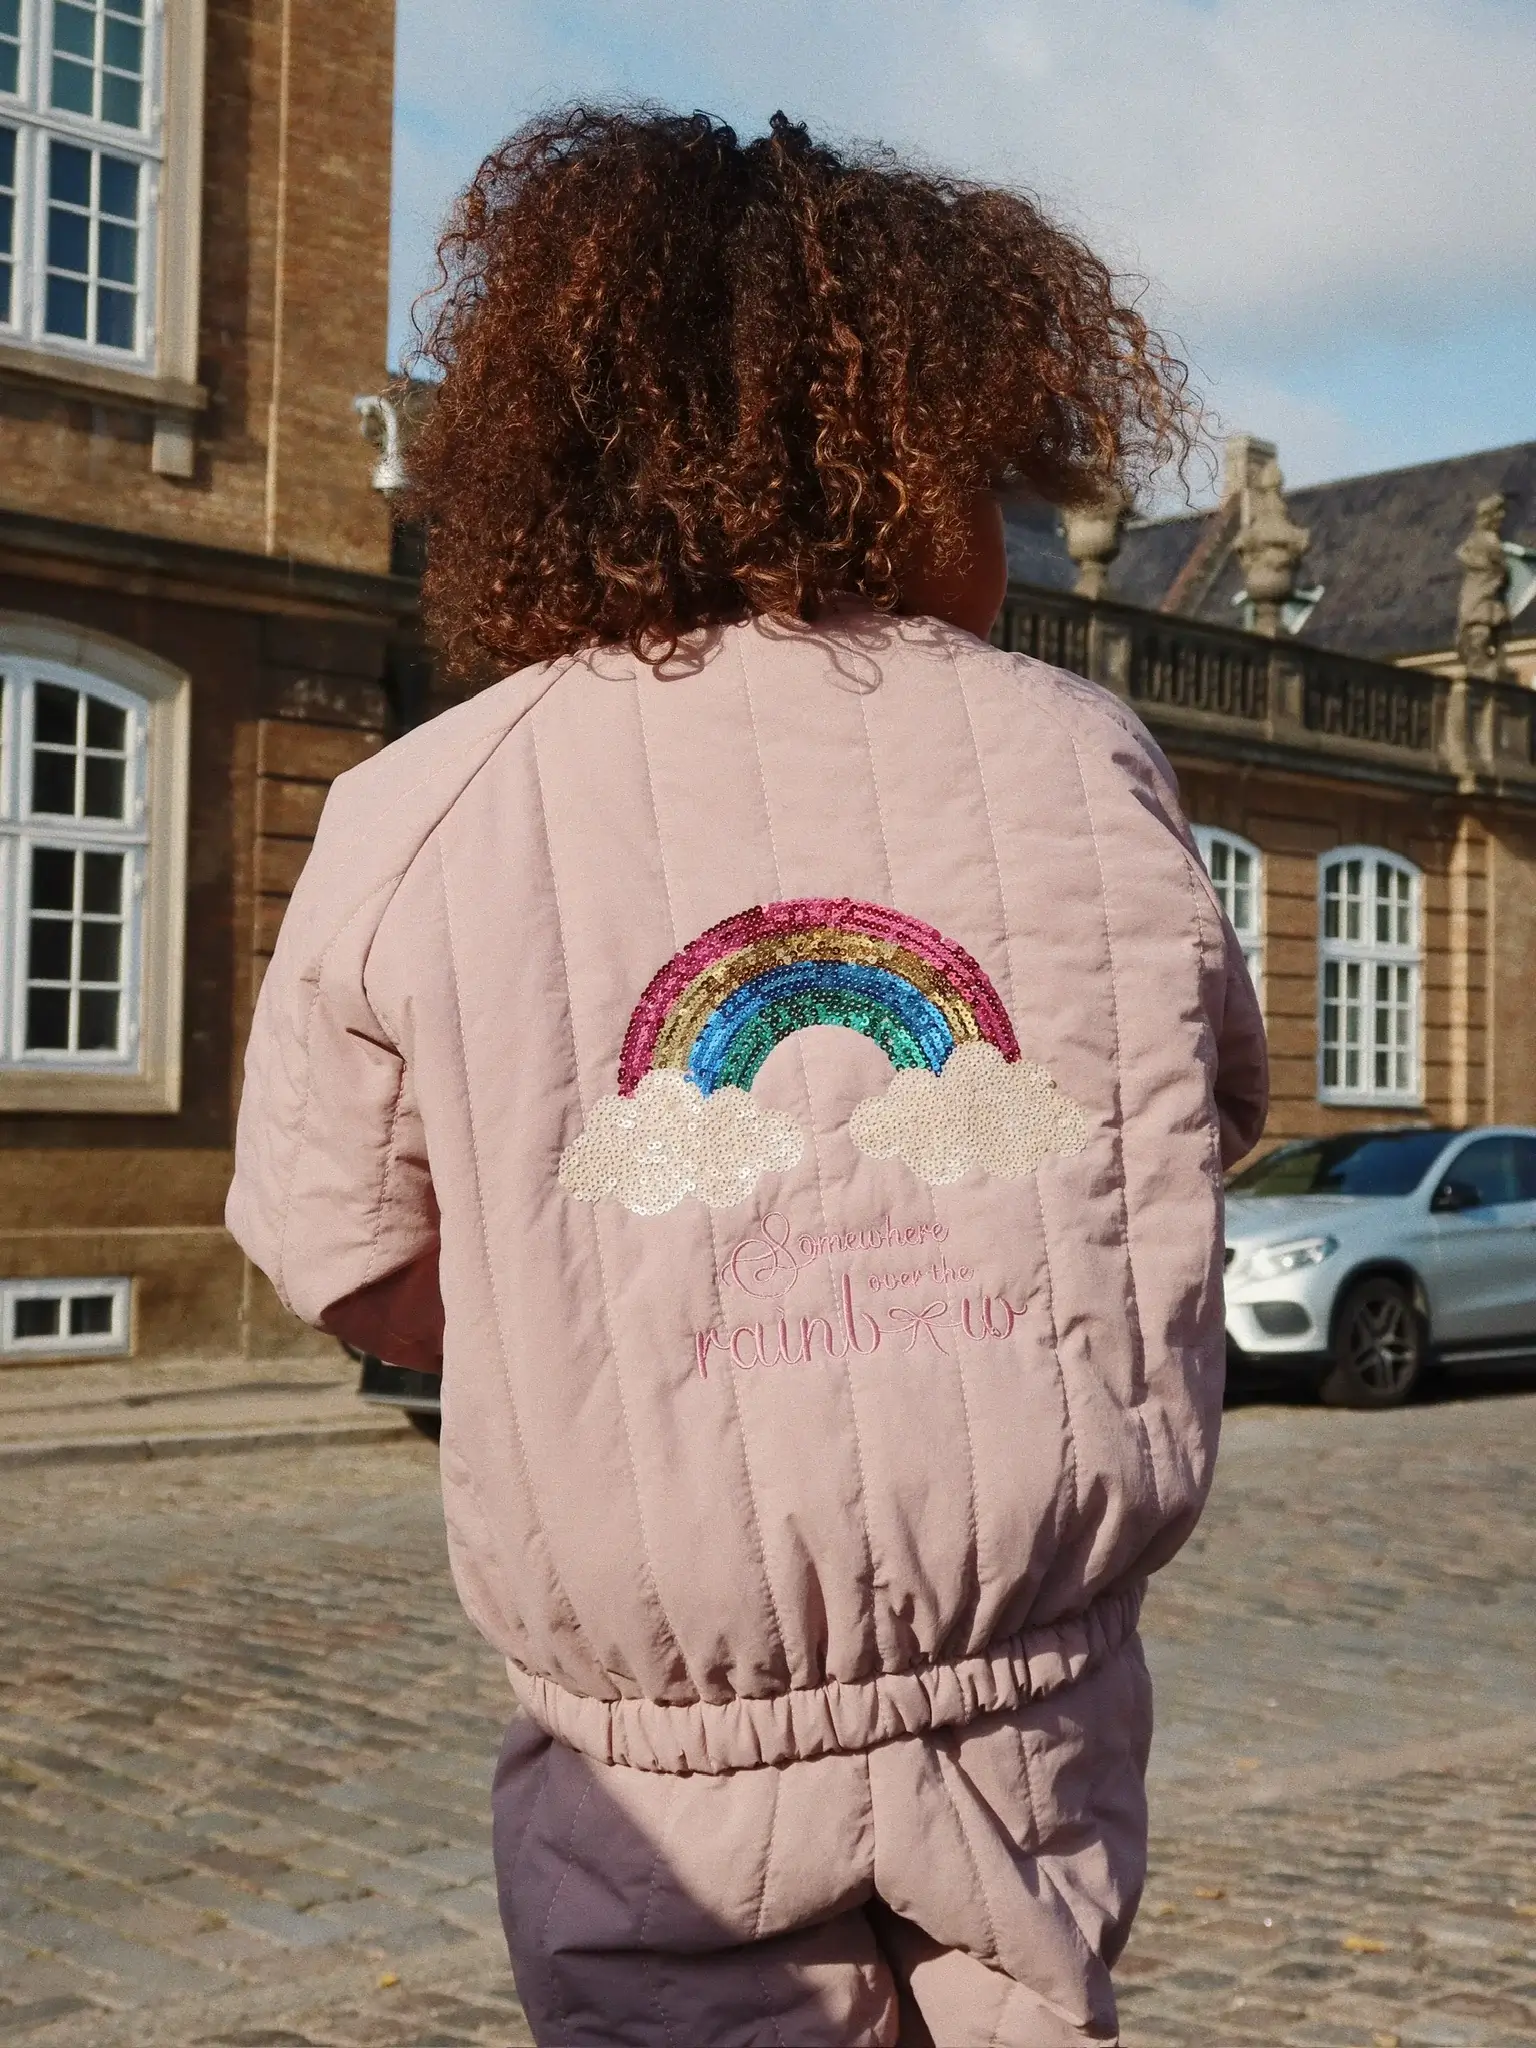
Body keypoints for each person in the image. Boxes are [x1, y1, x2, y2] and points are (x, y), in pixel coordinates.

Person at [227, 107, 1267, 2047]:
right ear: (916, 462)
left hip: (659, 1756)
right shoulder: (1081, 755)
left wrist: (589, 1306)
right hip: (1033, 1710)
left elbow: (342, 1250)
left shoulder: (425, 803)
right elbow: (1194, 1127)